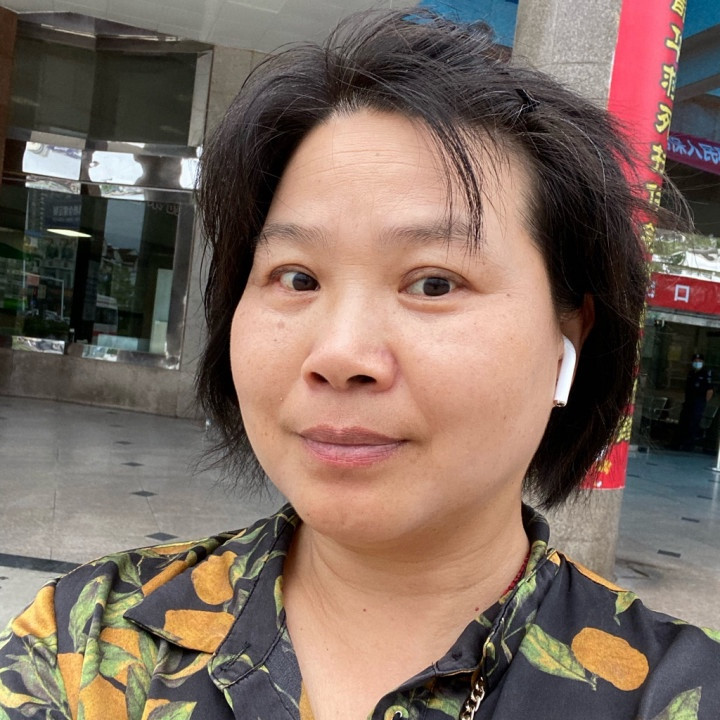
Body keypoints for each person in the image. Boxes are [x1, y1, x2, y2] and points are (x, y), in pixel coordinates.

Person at [2, 8, 719, 720]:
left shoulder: (672, 695)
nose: (340, 354)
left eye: (433, 283)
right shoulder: (87, 643)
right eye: (297, 277)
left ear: (570, 335)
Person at [677, 352, 714, 450]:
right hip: (689, 401)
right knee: (684, 421)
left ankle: (689, 445)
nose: (697, 362)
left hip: (698, 402)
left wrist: (703, 403)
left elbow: (710, 391)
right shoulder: (691, 373)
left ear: (703, 362)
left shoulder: (706, 374)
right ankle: (678, 443)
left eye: (699, 361)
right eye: (695, 361)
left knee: (693, 423)